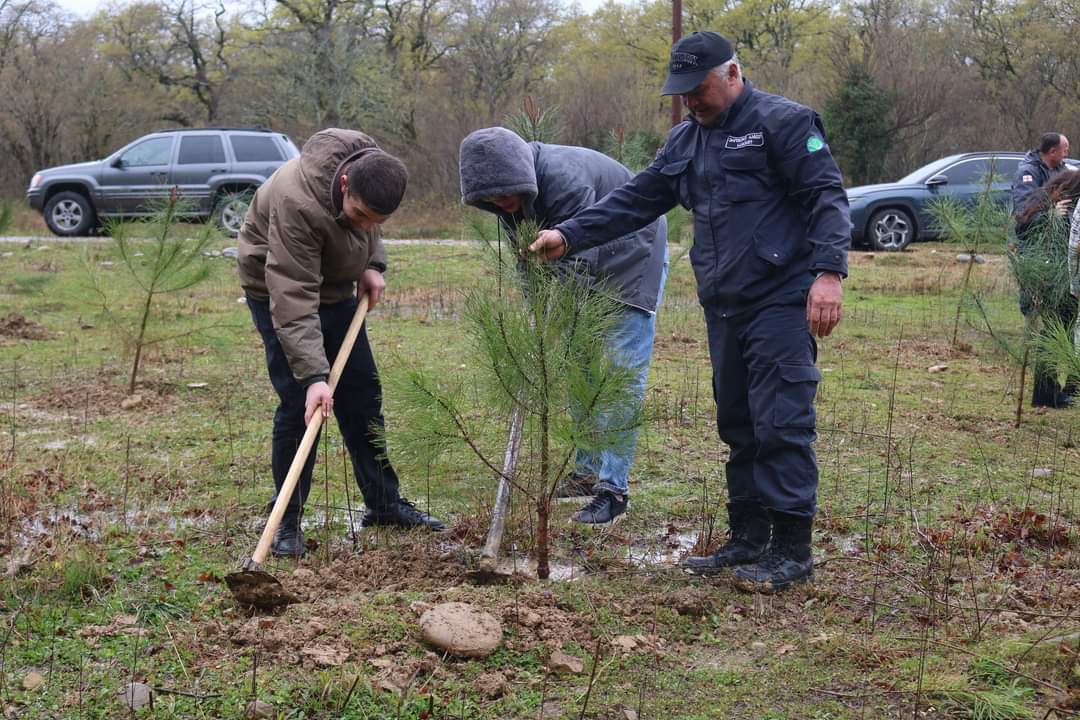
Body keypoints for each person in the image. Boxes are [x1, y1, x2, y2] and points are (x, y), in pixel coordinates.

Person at [528, 31, 850, 592]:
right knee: (738, 422)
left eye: (698, 89)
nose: (692, 102)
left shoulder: (786, 123)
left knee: (781, 421)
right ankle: (748, 538)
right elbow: (637, 198)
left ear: (731, 74)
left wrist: (828, 273)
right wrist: (569, 234)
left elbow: (826, 196)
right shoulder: (686, 141)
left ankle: (792, 551)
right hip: (724, 303)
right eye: (682, 94)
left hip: (780, 295)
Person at [237, 128, 445, 558]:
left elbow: (366, 227)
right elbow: (292, 293)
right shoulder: (298, 201)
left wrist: (371, 263)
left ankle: (384, 505)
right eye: (360, 214)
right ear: (344, 183)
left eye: (377, 222)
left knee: (361, 394)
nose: (367, 225)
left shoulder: (371, 168)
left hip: (335, 289)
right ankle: (286, 523)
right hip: (278, 289)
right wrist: (314, 376)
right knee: (299, 404)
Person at [458, 127, 669, 525]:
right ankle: (586, 473)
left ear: (521, 174)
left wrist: (555, 321)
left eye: (505, 192)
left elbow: (581, 254)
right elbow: (526, 260)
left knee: (619, 374)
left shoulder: (564, 178)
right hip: (583, 260)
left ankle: (613, 489)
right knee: (579, 370)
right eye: (490, 198)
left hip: (631, 252)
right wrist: (535, 311)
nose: (501, 202)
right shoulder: (508, 201)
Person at [1013, 171, 1080, 408]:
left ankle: (1060, 391)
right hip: (1055, 281)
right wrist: (1051, 217)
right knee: (1056, 334)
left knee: (1061, 333)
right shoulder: (1050, 205)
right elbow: (1024, 229)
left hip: (1059, 279)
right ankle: (1048, 394)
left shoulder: (1053, 201)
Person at [1011, 133, 1070, 216]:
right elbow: (1024, 211)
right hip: (1034, 228)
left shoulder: (1062, 170)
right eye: (1065, 151)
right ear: (1053, 152)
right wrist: (1051, 215)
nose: (1066, 155)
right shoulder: (1027, 173)